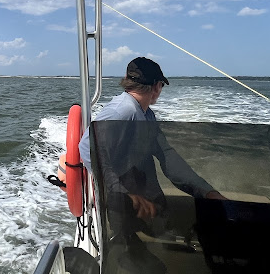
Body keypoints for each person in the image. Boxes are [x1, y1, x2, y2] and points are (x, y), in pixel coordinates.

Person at [78, 57, 225, 272]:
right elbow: (87, 148)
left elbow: (166, 155)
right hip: (125, 210)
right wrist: (123, 193)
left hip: (146, 202)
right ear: (157, 86)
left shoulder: (146, 114)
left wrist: (205, 191)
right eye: (161, 86)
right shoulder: (123, 111)